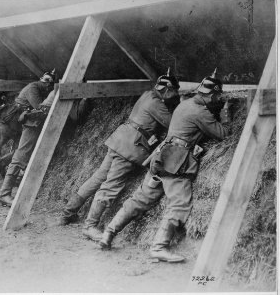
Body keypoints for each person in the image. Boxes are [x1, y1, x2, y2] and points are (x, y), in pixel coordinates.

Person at [98, 69, 231, 263]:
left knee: (141, 198)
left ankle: (108, 233)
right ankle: (159, 247)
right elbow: (223, 134)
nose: (217, 99)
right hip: (176, 162)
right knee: (179, 203)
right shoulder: (201, 112)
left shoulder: (185, 104)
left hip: (160, 157)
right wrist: (226, 113)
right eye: (217, 96)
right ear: (212, 95)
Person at [58, 69, 181, 243]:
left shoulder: (147, 95)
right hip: (129, 148)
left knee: (98, 177)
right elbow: (174, 123)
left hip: (120, 139)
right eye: (174, 92)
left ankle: (67, 214)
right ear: (167, 90)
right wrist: (181, 105)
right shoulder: (157, 104)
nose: (174, 96)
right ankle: (89, 226)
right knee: (111, 186)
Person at [0, 70, 56, 191]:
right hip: (8, 120)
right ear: (41, 78)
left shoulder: (42, 89)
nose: (48, 84)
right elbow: (38, 107)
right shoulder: (33, 87)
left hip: (19, 124)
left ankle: (1, 164)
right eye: (46, 80)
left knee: (19, 151)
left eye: (51, 82)